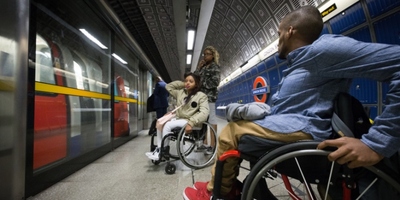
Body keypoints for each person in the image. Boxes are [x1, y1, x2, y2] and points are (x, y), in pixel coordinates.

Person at [183, 5, 400, 200]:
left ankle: (216, 194)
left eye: (278, 34)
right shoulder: (298, 64)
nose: (278, 41)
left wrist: (377, 143)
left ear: (290, 31)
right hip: (293, 125)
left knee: (231, 132)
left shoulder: (323, 50)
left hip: (306, 129)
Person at [145, 72, 210, 160]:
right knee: (161, 122)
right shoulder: (180, 93)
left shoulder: (201, 96)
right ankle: (160, 149)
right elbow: (168, 87)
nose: (187, 83)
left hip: (192, 120)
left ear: (196, 84)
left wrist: (191, 122)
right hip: (180, 119)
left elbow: (204, 113)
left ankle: (164, 151)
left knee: (168, 125)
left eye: (191, 81)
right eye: (186, 81)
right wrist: (183, 84)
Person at [194, 46, 221, 153]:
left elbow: (215, 82)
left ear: (213, 55)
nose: (205, 56)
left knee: (212, 120)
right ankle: (204, 143)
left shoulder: (215, 67)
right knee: (203, 120)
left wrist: (202, 84)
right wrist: (199, 68)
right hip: (201, 97)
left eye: (207, 54)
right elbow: (194, 78)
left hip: (210, 97)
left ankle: (213, 145)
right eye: (204, 54)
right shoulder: (204, 67)